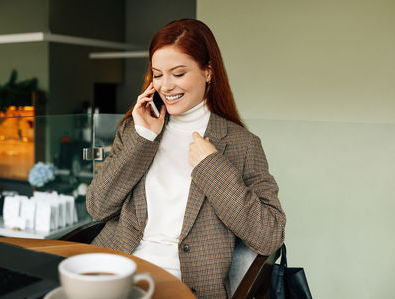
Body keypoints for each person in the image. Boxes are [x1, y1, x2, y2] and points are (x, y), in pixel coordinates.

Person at [86, 19, 286, 298]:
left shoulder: (242, 144)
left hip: (186, 287)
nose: (166, 86)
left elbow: (269, 235)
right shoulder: (137, 129)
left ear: (208, 71)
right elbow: (98, 206)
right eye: (157, 74)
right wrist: (142, 139)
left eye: (178, 73)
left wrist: (212, 168)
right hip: (116, 270)